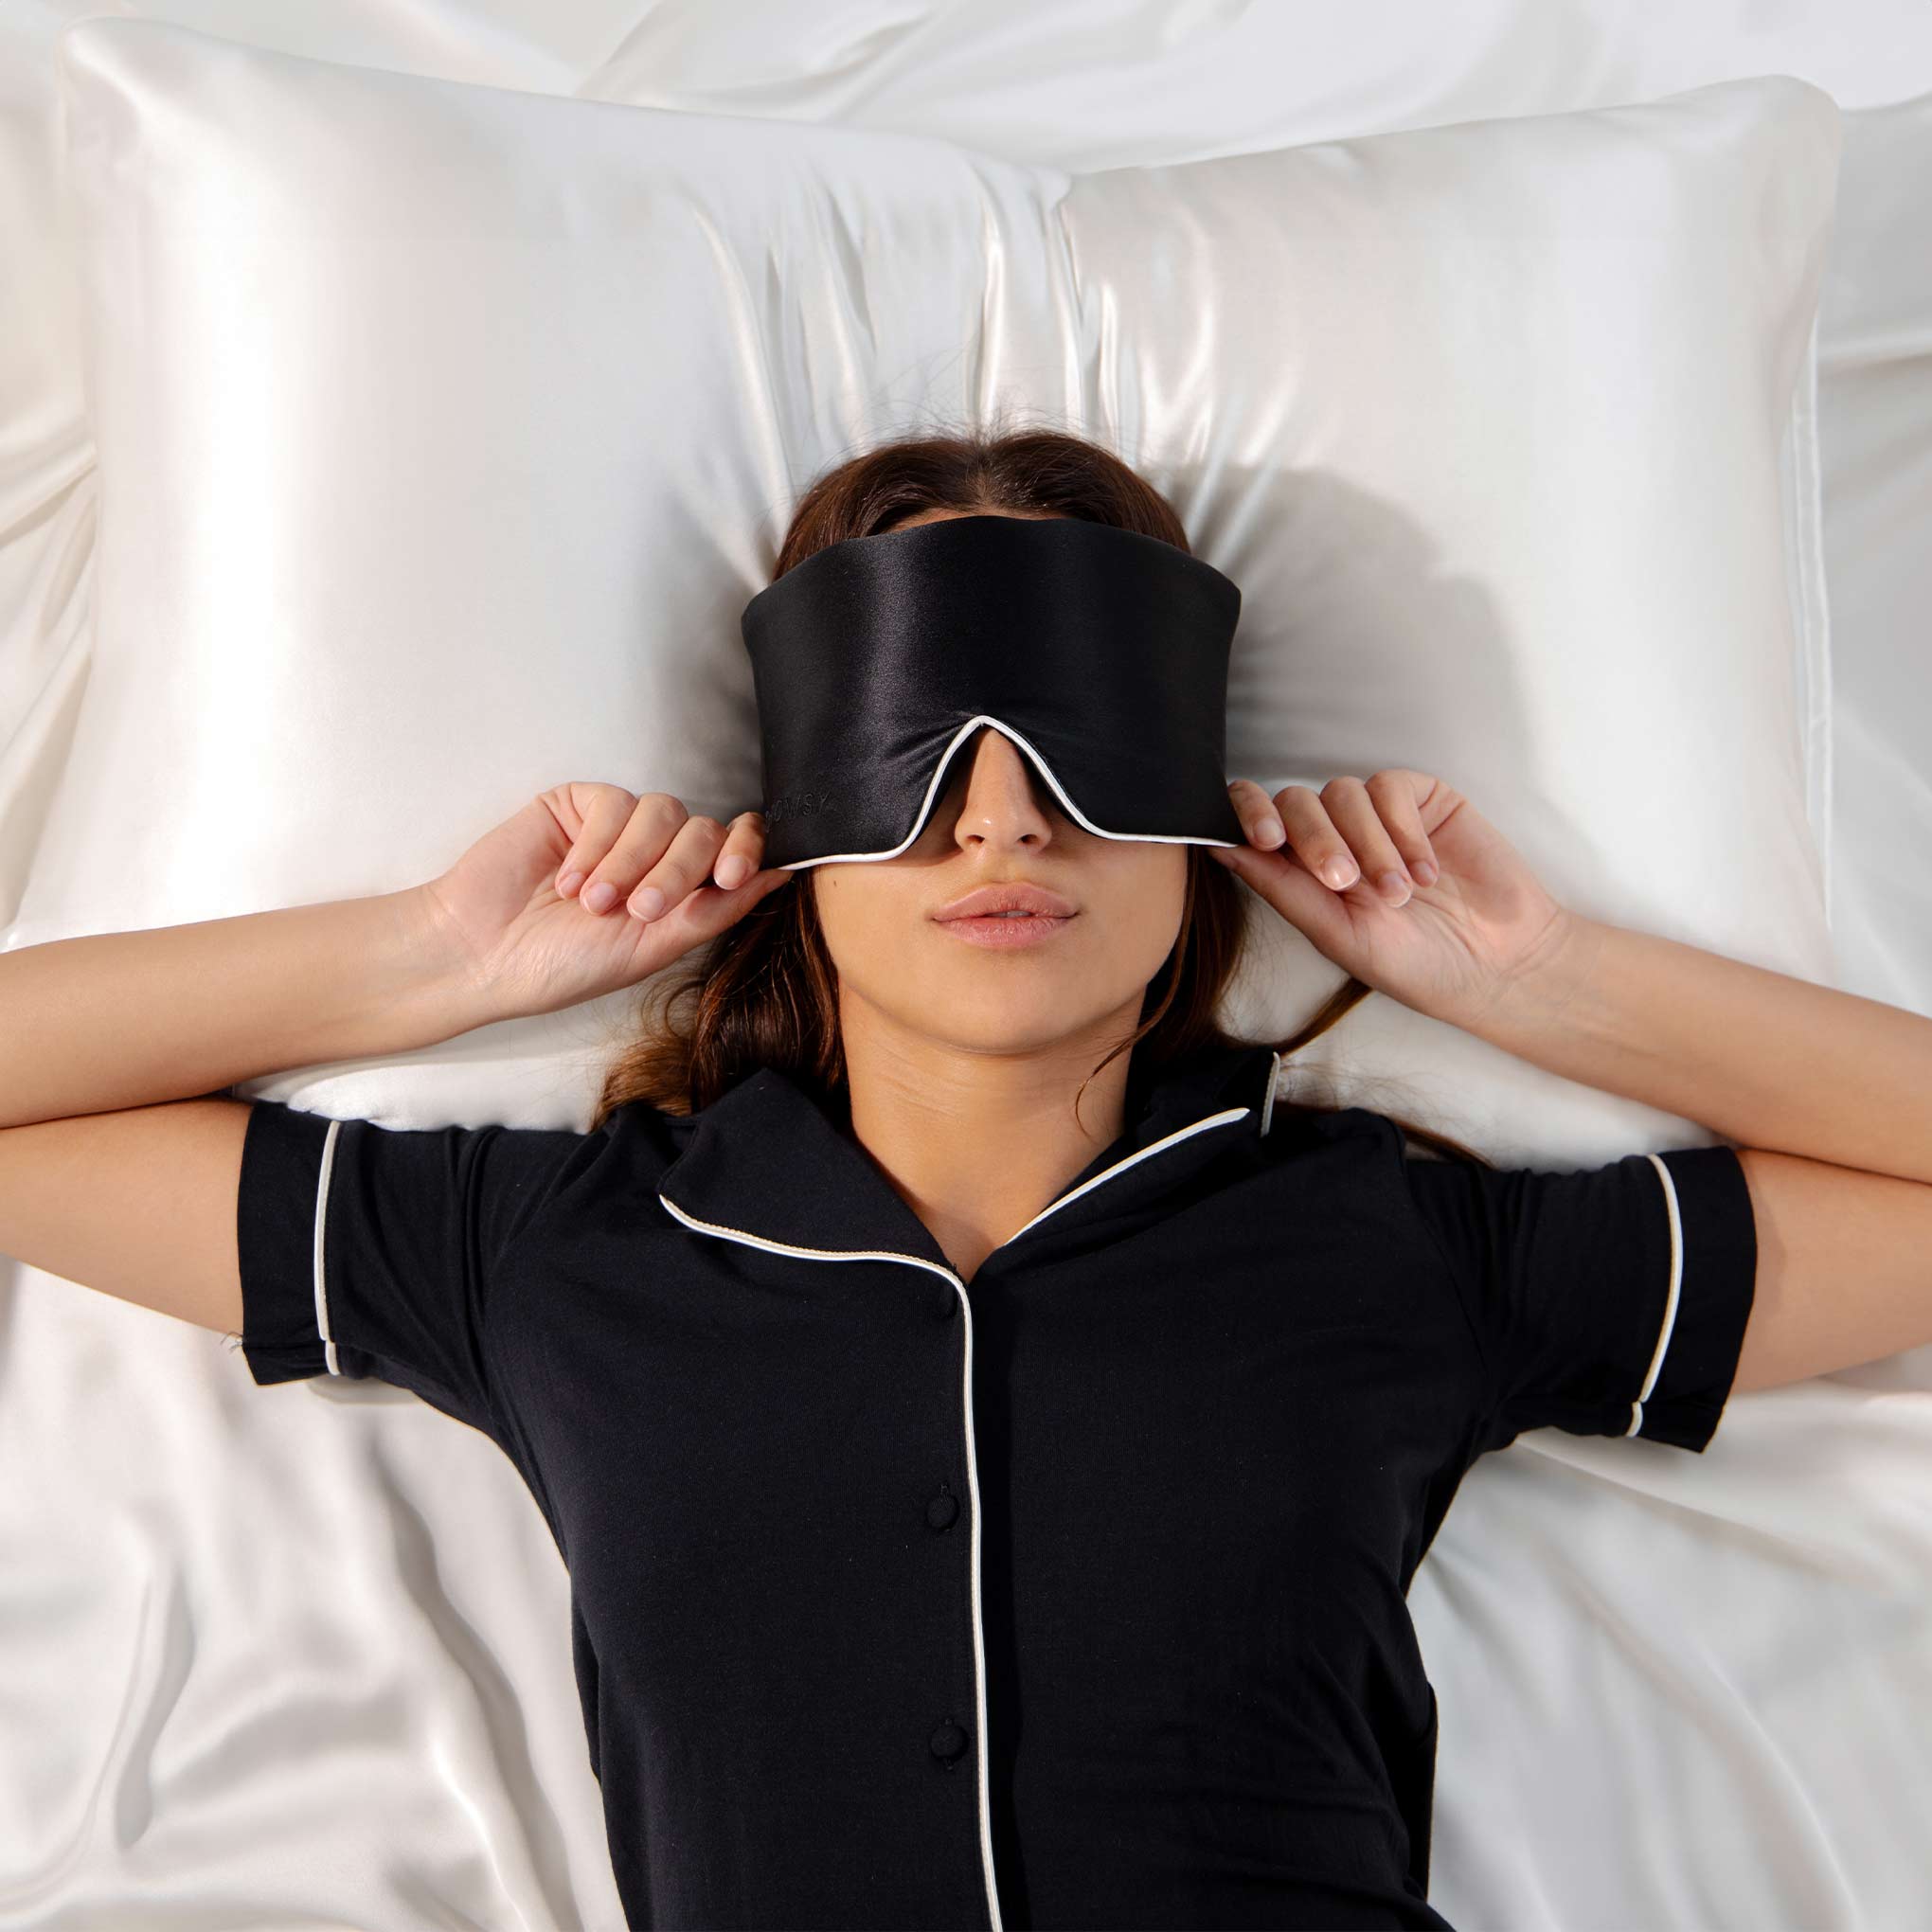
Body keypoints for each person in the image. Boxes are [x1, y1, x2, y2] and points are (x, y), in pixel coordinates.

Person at [4, 424, 1930, 1932]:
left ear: (1193, 823)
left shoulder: (1389, 1248)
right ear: (799, 835)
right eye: (910, 767)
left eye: (1086, 758)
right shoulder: (569, 1252)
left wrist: (1537, 980)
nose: (999, 816)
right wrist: (433, 960)